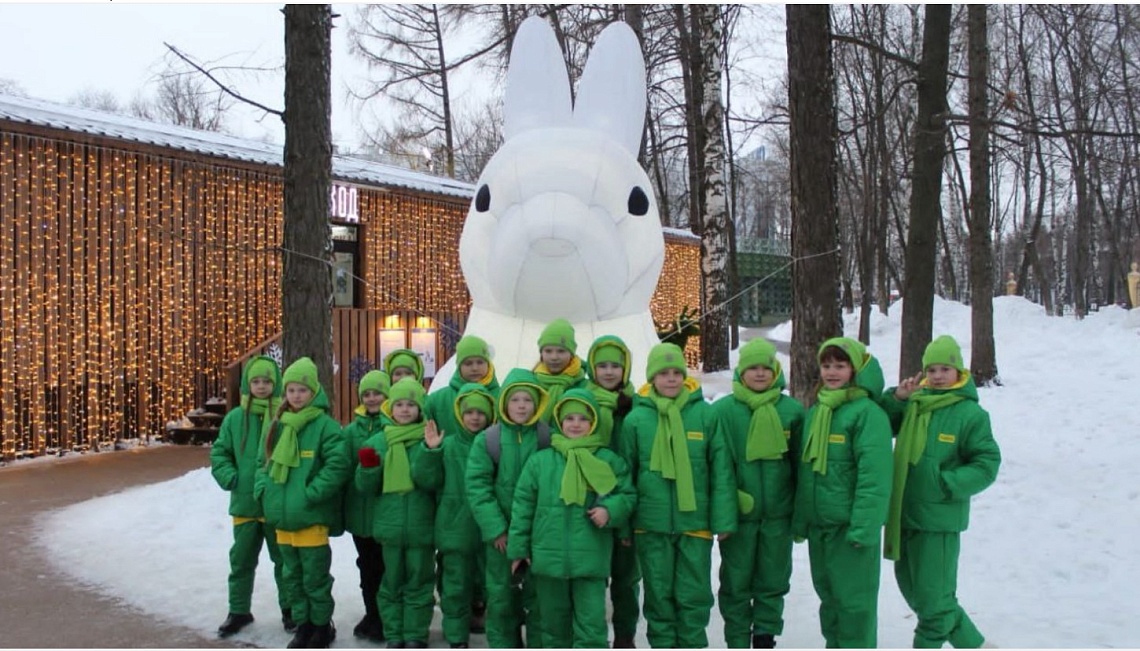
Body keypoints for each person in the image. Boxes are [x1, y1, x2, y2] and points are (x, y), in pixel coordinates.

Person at [880, 335, 1001, 649]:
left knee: (934, 601)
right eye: (931, 369)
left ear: (958, 371)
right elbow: (883, 423)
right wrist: (899, 398)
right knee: (914, 592)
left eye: (944, 369)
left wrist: (947, 483)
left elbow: (987, 462)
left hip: (939, 520)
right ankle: (974, 644)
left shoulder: (970, 414)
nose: (936, 376)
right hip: (904, 515)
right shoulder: (916, 405)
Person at [618, 343, 737, 649]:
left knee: (693, 593)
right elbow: (625, 477)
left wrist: (723, 519)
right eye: (663, 373)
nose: (671, 379)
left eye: (676, 373)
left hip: (694, 523)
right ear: (652, 378)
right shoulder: (635, 420)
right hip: (650, 525)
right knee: (658, 595)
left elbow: (721, 471)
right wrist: (624, 525)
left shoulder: (706, 416)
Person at [508, 388, 638, 648]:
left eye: (583, 419)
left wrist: (610, 510)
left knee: (591, 628)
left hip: (590, 560)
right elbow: (523, 508)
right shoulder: (540, 462)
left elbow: (627, 494)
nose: (576, 424)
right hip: (548, 559)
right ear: (559, 422)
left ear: (593, 423)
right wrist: (518, 549)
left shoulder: (607, 460)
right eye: (569, 419)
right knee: (554, 628)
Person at [792, 338, 892, 649]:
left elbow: (874, 478)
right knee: (830, 601)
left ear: (856, 369)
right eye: (826, 365)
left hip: (851, 531)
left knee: (854, 605)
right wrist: (803, 519)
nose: (832, 372)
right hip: (822, 528)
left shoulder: (867, 414)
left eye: (840, 365)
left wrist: (864, 527)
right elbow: (807, 472)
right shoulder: (819, 410)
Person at [711, 339, 806, 649]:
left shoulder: (791, 410)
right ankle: (737, 638)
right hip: (739, 517)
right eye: (753, 367)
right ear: (741, 372)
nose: (761, 373)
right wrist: (725, 515)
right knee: (736, 582)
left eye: (767, 367)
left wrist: (799, 512)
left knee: (773, 580)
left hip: (778, 515)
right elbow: (719, 466)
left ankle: (765, 634)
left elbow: (800, 467)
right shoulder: (724, 411)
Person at [256, 356, 350, 649]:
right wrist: (265, 490)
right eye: (291, 390)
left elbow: (338, 465)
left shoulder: (325, 426)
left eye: (302, 390)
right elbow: (264, 461)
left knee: (315, 578)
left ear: (314, 392)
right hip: (283, 518)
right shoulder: (278, 425)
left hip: (310, 517)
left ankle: (321, 625)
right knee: (291, 576)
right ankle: (303, 624)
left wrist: (312, 493)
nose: (296, 396)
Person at [465, 369, 551, 648]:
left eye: (528, 399)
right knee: (501, 597)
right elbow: (478, 487)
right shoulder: (489, 439)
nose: (522, 406)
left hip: (537, 535)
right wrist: (496, 529)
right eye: (515, 400)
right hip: (500, 539)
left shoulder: (546, 438)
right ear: (504, 403)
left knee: (538, 599)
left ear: (537, 403)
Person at [210, 355, 294, 638]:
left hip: (274, 503)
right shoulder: (235, 418)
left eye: (267, 381)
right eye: (256, 381)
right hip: (245, 504)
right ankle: (238, 610)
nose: (261, 386)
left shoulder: (284, 417)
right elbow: (220, 452)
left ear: (276, 383)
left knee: (283, 561)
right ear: (248, 384)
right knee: (242, 560)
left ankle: (290, 610)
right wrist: (230, 476)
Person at [423, 335, 499, 635]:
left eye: (480, 361)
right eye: (468, 362)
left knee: (486, 566)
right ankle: (457, 616)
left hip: (488, 496)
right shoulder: (440, 399)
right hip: (452, 493)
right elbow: (426, 438)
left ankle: (480, 608)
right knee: (455, 564)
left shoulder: (503, 394)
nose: (475, 368)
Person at [356, 377, 437, 649]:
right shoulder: (380, 440)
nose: (404, 410)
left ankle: (415, 633)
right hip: (389, 527)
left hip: (420, 526)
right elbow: (366, 488)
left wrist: (431, 451)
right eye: (399, 404)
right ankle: (393, 633)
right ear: (390, 408)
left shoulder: (427, 438)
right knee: (390, 582)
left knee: (419, 581)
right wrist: (367, 468)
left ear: (420, 409)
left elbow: (430, 481)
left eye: (410, 405)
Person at [584, 335, 640, 648]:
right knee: (592, 575)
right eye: (602, 365)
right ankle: (591, 638)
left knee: (627, 577)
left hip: (627, 498)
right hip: (591, 500)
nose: (608, 372)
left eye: (615, 366)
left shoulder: (634, 405)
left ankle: (624, 636)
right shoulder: (580, 400)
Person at [342, 369, 391, 643]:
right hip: (359, 513)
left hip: (383, 512)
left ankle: (384, 616)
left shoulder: (393, 427)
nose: (372, 398)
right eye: (367, 394)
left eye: (378, 393)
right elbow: (345, 468)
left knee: (384, 567)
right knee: (366, 566)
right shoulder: (351, 431)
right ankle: (371, 612)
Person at [532, 319, 588, 423]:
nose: (554, 357)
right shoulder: (530, 384)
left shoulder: (585, 387)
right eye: (548, 351)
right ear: (541, 354)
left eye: (561, 351)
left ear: (571, 354)